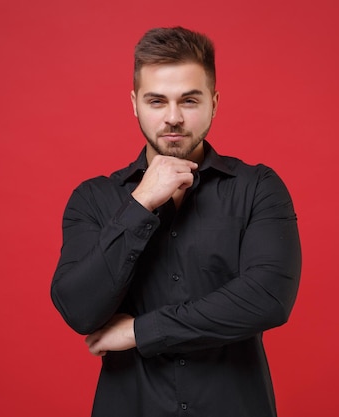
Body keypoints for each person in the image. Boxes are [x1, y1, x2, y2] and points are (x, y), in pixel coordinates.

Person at [51, 26, 302, 417]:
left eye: (189, 100)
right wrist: (140, 203)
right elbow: (79, 309)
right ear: (134, 104)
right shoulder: (93, 199)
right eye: (156, 101)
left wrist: (138, 332)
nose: (173, 118)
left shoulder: (258, 188)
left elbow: (267, 299)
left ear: (214, 103)